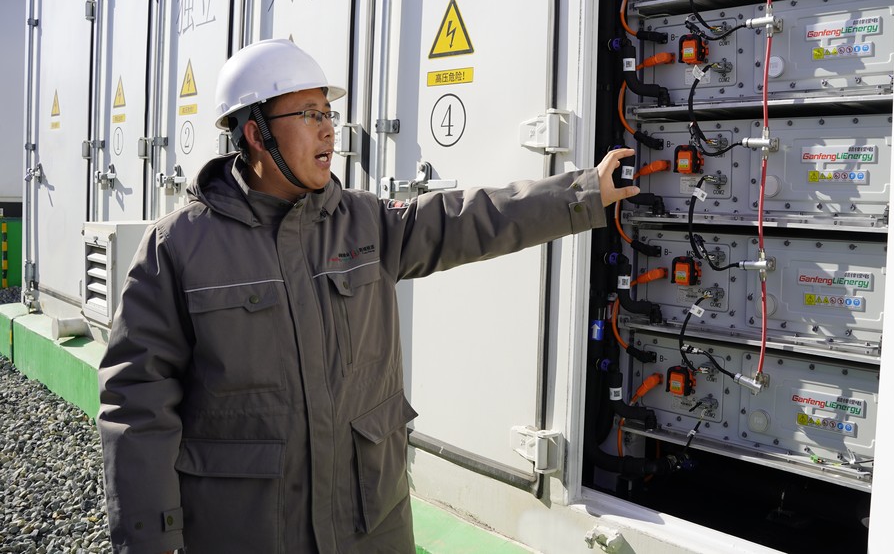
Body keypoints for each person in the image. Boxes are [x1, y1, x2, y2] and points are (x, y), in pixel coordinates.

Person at [96, 38, 639, 554]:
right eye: (309, 114)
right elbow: (137, 397)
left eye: (328, 113)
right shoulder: (179, 247)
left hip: (368, 524)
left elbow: (471, 218)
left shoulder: (364, 223)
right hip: (249, 531)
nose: (328, 130)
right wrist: (150, 537)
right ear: (256, 133)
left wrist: (581, 195)